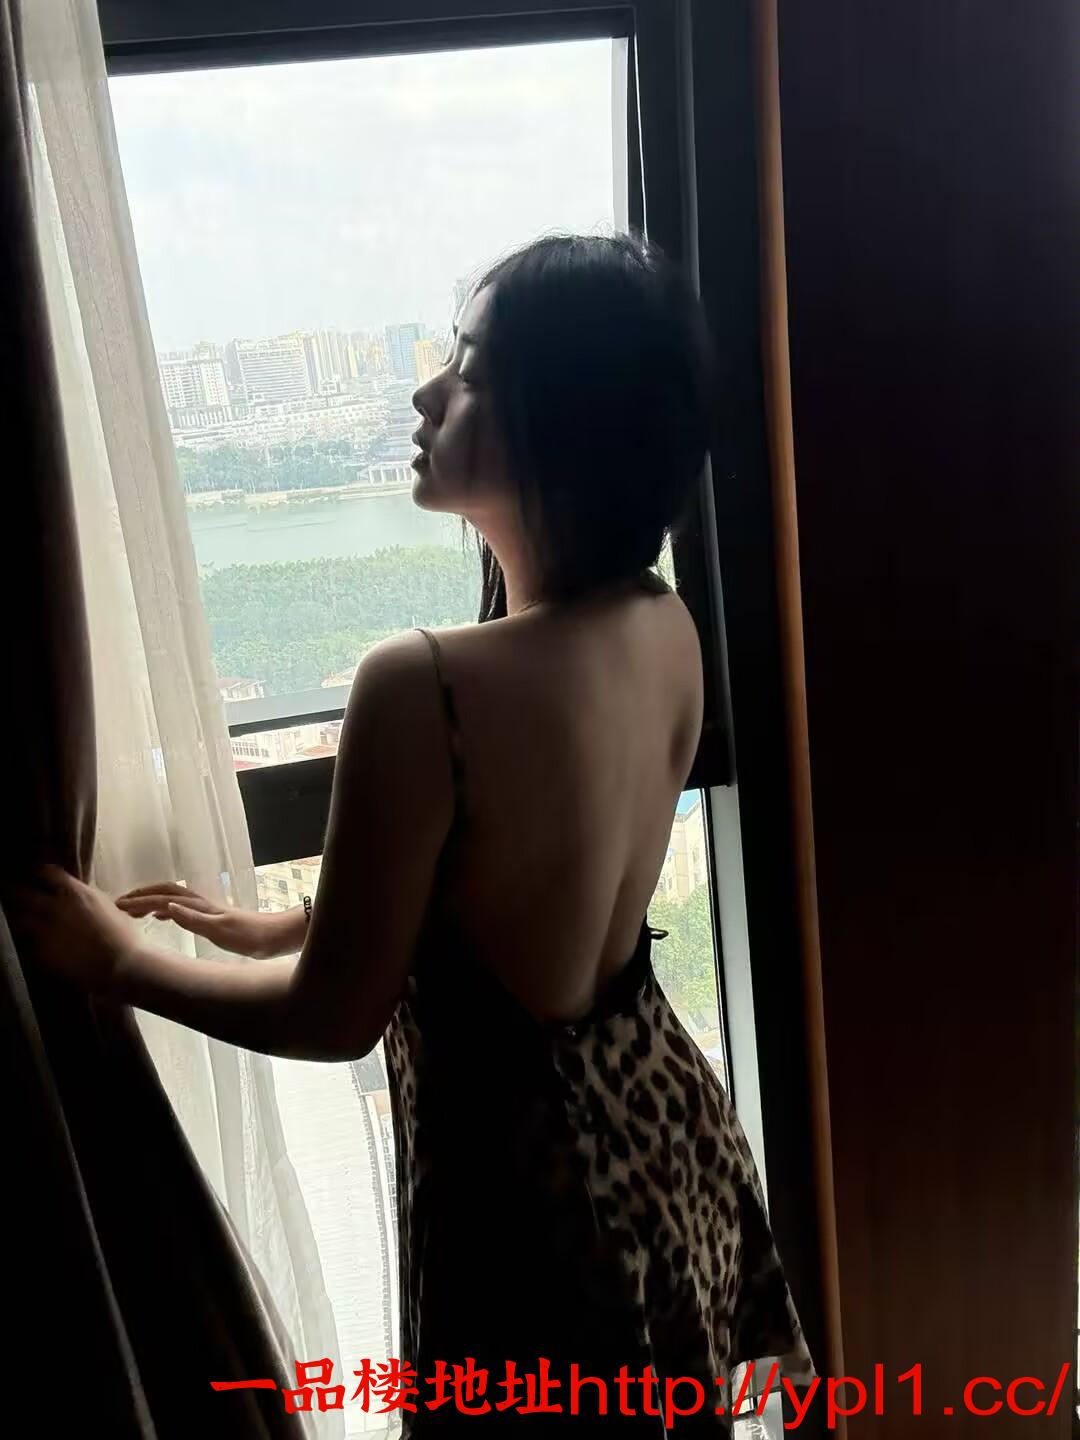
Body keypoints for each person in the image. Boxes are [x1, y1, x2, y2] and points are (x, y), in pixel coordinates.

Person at [17, 234, 813, 1432]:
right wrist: (296, 922)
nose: (426, 392)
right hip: (664, 1137)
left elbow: (334, 1016)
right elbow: (520, 882)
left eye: (472, 370)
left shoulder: (426, 684)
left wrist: (116, 959)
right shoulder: (663, 626)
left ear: (566, 419)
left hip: (529, 1202)